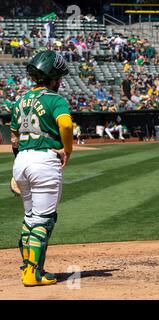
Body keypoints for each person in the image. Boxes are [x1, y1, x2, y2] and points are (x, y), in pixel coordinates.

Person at [10, 50, 72, 286]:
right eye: (59, 77)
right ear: (53, 77)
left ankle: (29, 267)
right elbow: (65, 125)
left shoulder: (20, 100)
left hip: (22, 161)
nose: (61, 81)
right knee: (43, 220)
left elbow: (14, 137)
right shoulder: (55, 99)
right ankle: (33, 273)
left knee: (30, 219)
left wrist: (20, 160)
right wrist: (68, 150)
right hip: (44, 161)